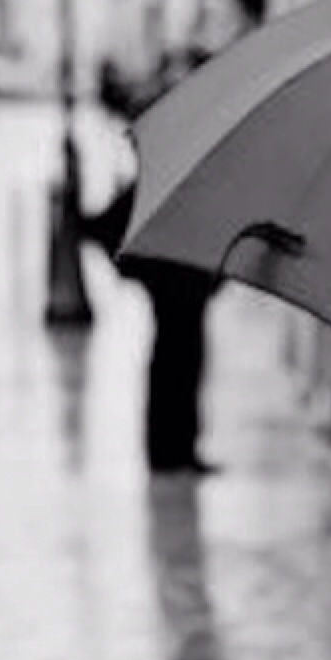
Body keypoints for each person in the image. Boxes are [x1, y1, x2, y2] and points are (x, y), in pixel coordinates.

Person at [82, 170, 221, 477]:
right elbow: (105, 225)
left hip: (187, 285)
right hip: (175, 286)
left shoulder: (196, 184)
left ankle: (178, 448)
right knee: (175, 364)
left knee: (185, 364)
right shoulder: (165, 181)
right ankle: (166, 450)